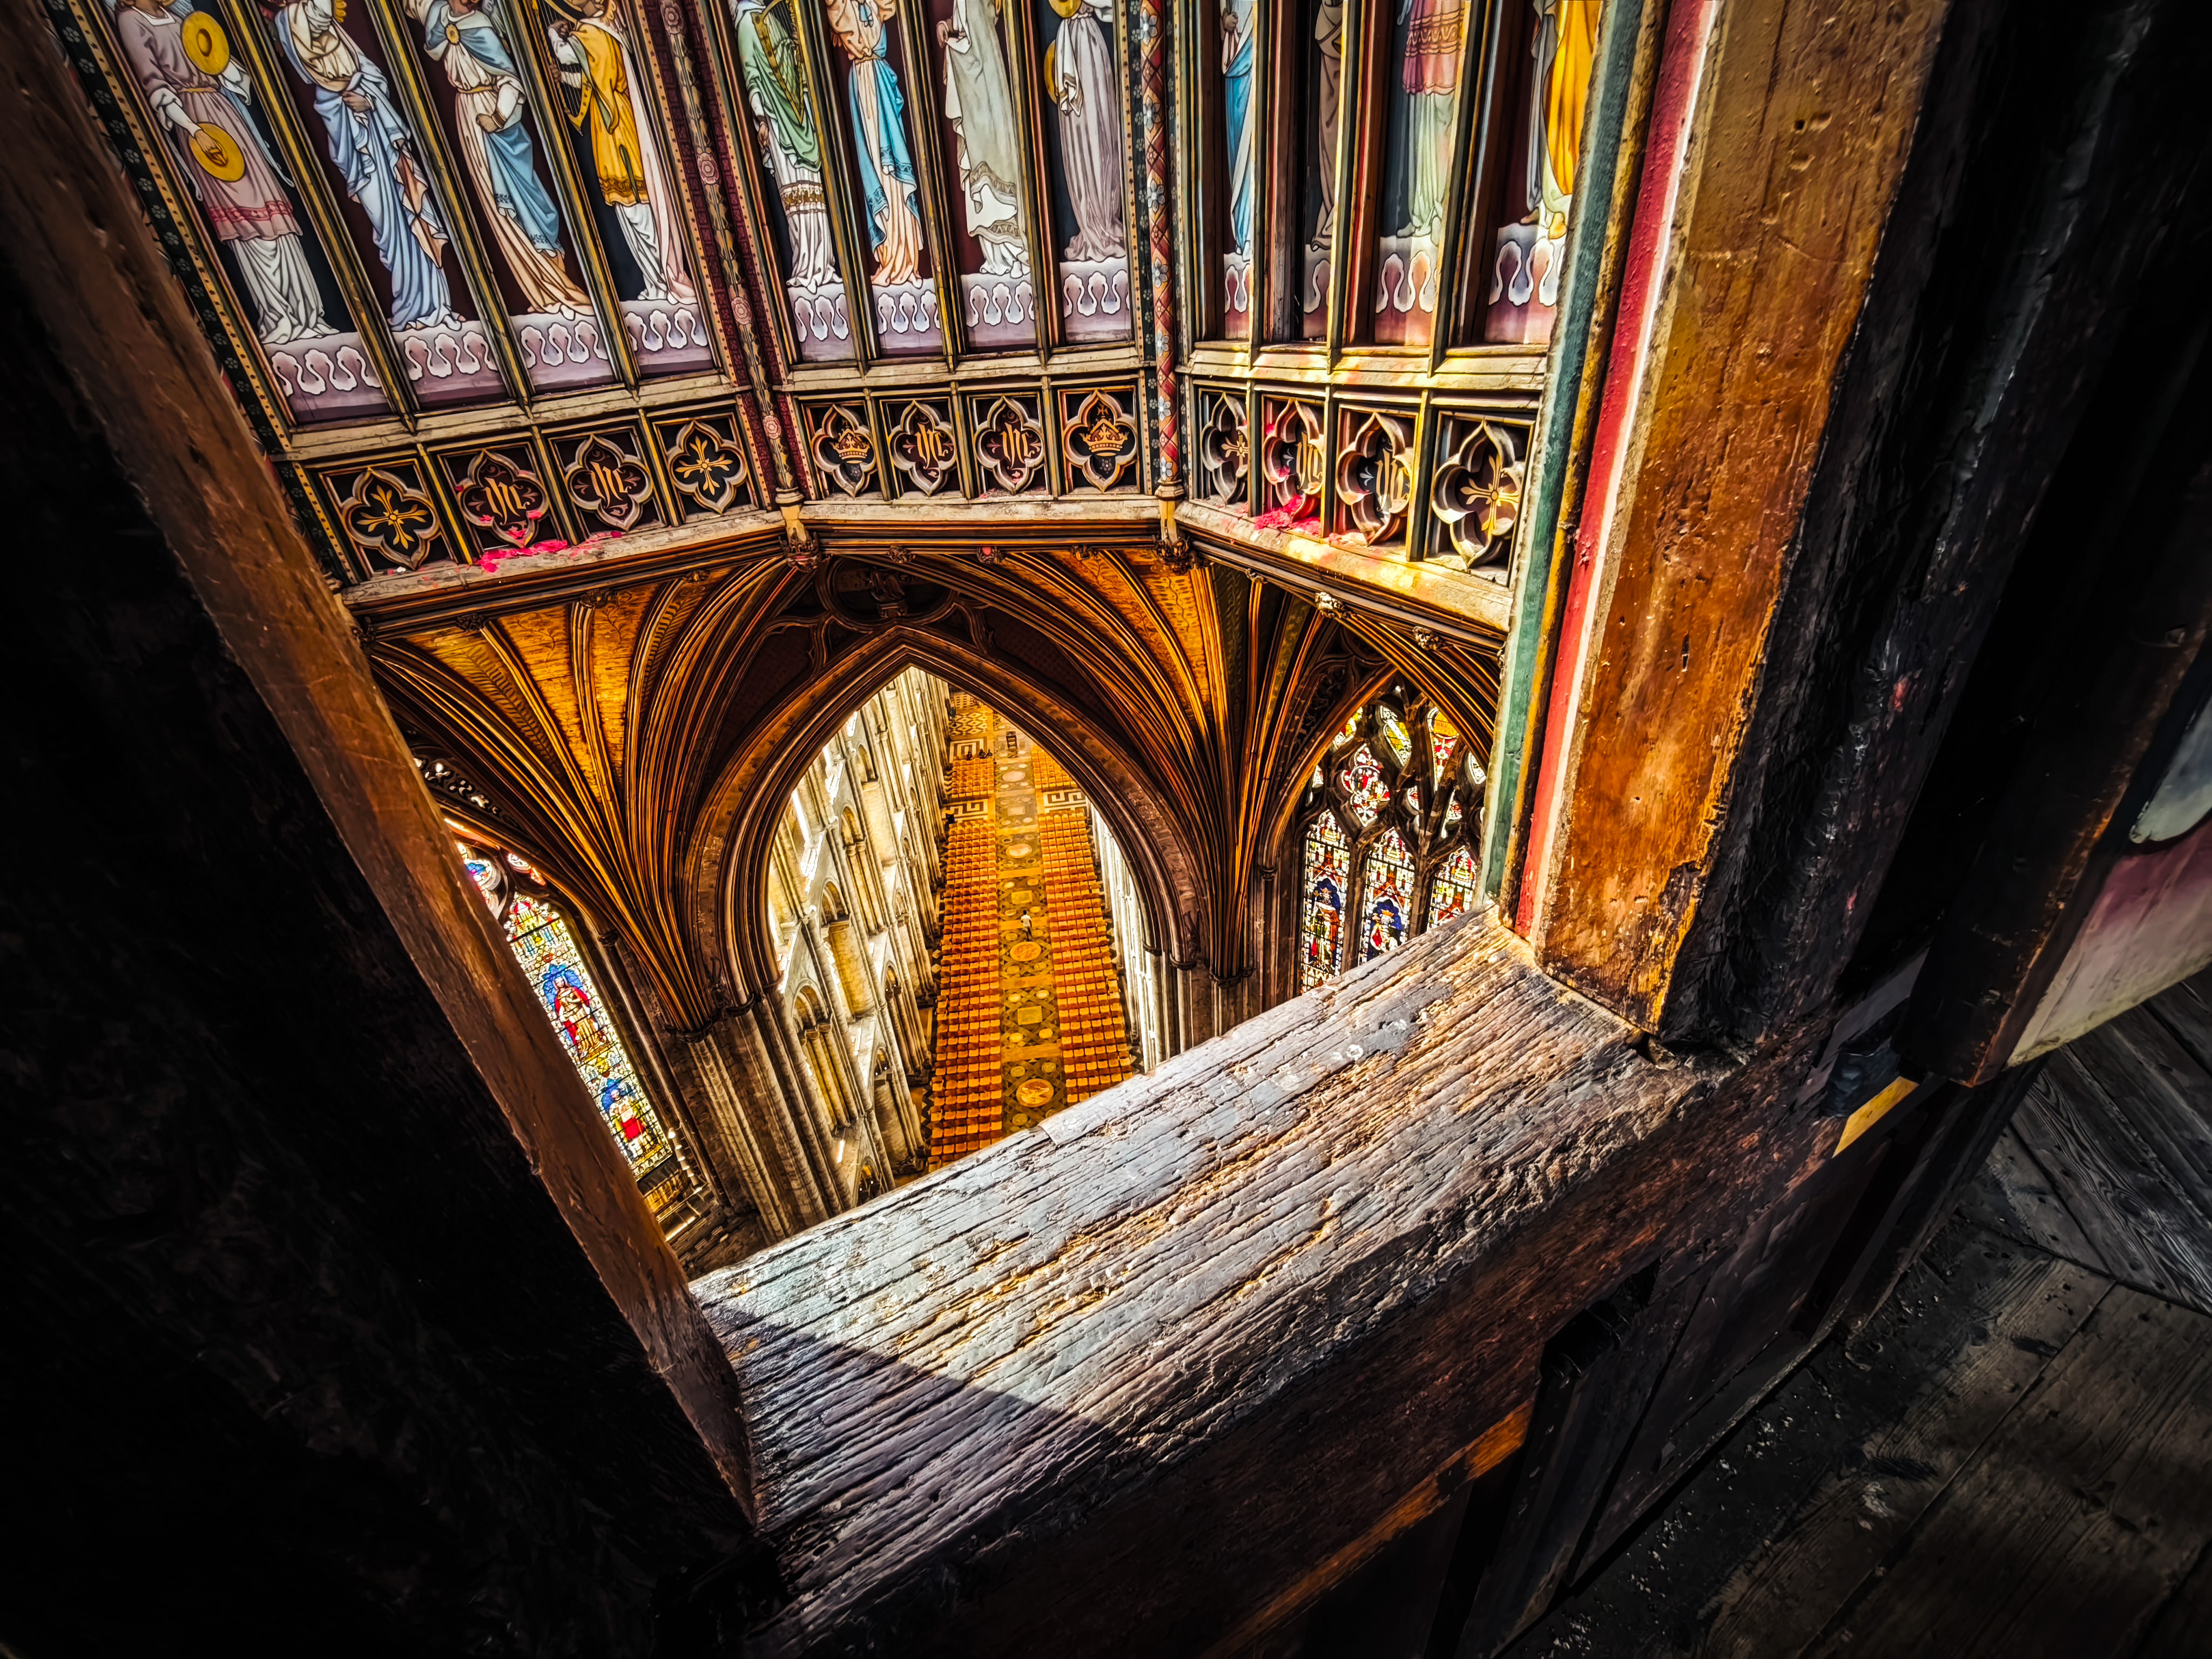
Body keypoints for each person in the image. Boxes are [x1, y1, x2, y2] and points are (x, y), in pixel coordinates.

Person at [114, 0, 331, 343]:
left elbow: (217, 61)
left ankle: (307, 315)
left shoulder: (181, 16)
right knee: (242, 217)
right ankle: (278, 316)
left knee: (271, 207)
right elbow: (156, 85)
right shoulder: (132, 21)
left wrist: (224, 67)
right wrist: (195, 132)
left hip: (225, 112)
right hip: (197, 122)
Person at [274, 0, 462, 330]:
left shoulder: (348, 49)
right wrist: (351, 103)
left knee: (411, 216)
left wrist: (370, 101)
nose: (319, 37)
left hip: (386, 148)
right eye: (310, 30)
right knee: (386, 229)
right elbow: (335, 121)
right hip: (361, 160)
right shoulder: (319, 83)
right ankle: (410, 305)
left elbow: (376, 81)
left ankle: (435, 304)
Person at [404, 0, 591, 314]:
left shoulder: (481, 26)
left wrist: (499, 117)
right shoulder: (439, 18)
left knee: (526, 196)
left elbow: (510, 77)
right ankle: (539, 290)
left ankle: (556, 276)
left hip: (493, 114)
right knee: (496, 205)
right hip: (469, 115)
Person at [548, 0, 697, 302]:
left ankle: (662, 279)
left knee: (635, 204)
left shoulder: (591, 33)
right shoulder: (605, 31)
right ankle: (656, 281)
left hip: (616, 128)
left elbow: (567, 54)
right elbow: (592, 77)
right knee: (629, 204)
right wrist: (564, 78)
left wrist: (553, 34)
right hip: (613, 122)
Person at [729, 0, 836, 287]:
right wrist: (761, 118)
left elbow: (789, 60)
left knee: (815, 192)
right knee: (794, 195)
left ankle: (823, 263)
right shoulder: (747, 22)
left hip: (797, 111)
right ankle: (805, 264)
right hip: (777, 118)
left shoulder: (772, 15)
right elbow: (752, 76)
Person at [825, 0, 922, 285]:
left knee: (894, 172)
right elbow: (840, 19)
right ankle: (890, 254)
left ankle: (906, 255)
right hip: (865, 83)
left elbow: (887, 9)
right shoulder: (842, 7)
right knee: (878, 168)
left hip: (878, 80)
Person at [938, 0, 1026, 275]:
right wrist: (947, 26)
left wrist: (952, 46)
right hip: (978, 99)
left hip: (985, 96)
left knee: (995, 166)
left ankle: (1012, 252)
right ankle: (996, 257)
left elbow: (974, 48)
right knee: (983, 174)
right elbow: (966, 29)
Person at [1043, 0, 1123, 262]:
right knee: (1078, 138)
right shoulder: (1067, 32)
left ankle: (1105, 218)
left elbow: (1110, 6)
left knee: (1101, 131)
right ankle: (1090, 223)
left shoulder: (1089, 32)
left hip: (1089, 45)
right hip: (1070, 43)